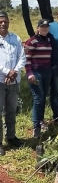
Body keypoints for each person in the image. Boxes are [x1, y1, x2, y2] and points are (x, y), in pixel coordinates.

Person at [0, 11, 26, 155]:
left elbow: (22, 57)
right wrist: (6, 71)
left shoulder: (15, 38)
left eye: (6, 21)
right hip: (0, 80)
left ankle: (11, 137)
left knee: (11, 110)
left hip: (14, 81)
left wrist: (14, 71)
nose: (3, 23)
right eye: (1, 21)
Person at [25, 19, 52, 139]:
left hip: (47, 72)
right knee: (38, 99)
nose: (44, 29)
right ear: (38, 28)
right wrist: (29, 73)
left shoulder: (49, 40)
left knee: (43, 97)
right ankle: (36, 127)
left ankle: (41, 121)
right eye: (42, 27)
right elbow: (26, 59)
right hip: (36, 72)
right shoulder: (31, 41)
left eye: (46, 27)